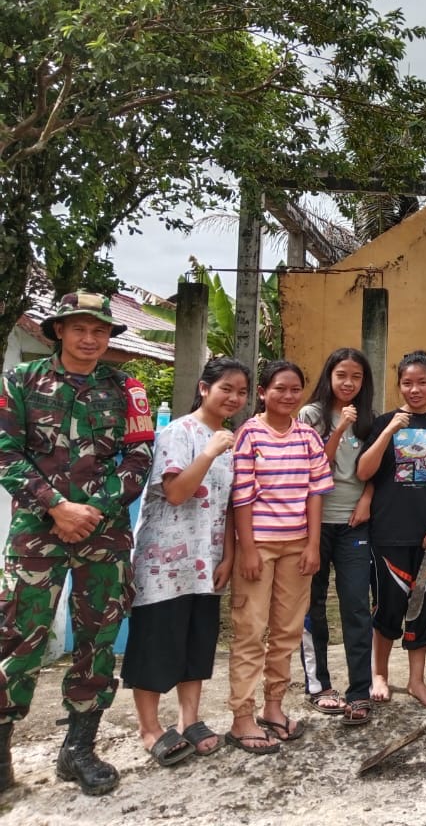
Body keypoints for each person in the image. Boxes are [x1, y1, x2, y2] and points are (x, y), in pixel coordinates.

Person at [0, 291, 153, 794]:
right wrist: (56, 507)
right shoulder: (21, 381)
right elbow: (4, 449)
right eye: (80, 328)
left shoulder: (127, 387)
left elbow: (139, 458)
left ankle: (78, 749)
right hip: (36, 535)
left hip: (103, 536)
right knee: (18, 637)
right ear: (59, 331)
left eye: (100, 330)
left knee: (97, 639)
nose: (90, 339)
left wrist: (93, 509)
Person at [124, 357, 250, 768]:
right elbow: (177, 492)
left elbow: (229, 505)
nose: (233, 397)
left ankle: (189, 719)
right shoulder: (179, 433)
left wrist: (229, 555)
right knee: (157, 641)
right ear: (203, 388)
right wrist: (210, 452)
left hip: (205, 559)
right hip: (163, 561)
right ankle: (149, 727)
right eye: (225, 388)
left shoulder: (228, 441)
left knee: (196, 640)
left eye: (241, 391)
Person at [226, 360, 331, 754]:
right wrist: (249, 549)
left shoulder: (307, 437)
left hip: (297, 547)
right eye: (279, 389)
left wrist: (312, 544)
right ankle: (241, 716)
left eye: (294, 389)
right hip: (259, 547)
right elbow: (242, 496)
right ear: (263, 393)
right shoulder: (248, 435)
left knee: (287, 632)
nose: (287, 396)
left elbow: (315, 493)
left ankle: (274, 708)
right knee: (250, 631)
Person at [358, 350, 426, 708]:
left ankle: (417, 681)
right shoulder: (384, 422)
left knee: (423, 607)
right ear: (399, 384)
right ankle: (380, 674)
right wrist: (389, 430)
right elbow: (365, 471)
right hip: (388, 529)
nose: (414, 389)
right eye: (407, 382)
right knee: (387, 606)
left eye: (422, 382)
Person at [297, 347, 376, 726]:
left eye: (356, 377)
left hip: (353, 524)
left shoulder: (370, 419)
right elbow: (316, 465)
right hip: (312, 523)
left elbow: (375, 470)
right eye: (342, 375)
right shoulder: (310, 415)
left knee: (356, 605)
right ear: (329, 375)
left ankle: (359, 691)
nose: (348, 383)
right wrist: (341, 426)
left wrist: (367, 501)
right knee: (312, 605)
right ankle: (318, 685)